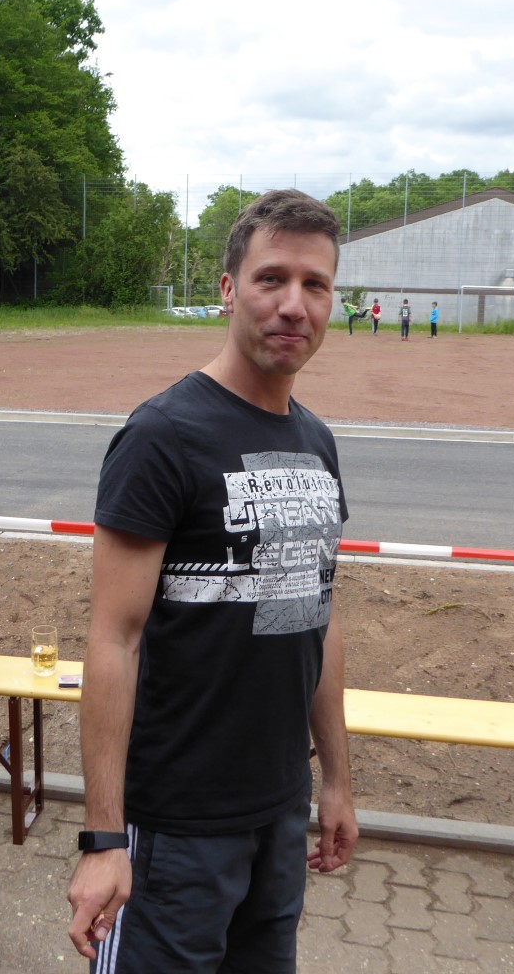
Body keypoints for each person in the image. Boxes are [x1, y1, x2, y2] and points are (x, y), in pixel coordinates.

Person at [66, 189, 357, 972]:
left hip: (278, 811)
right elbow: (114, 639)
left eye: (315, 284)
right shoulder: (163, 436)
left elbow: (319, 617)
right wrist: (104, 838)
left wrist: (335, 780)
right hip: (174, 827)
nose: (294, 305)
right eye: (272, 279)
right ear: (228, 290)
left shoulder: (317, 442)